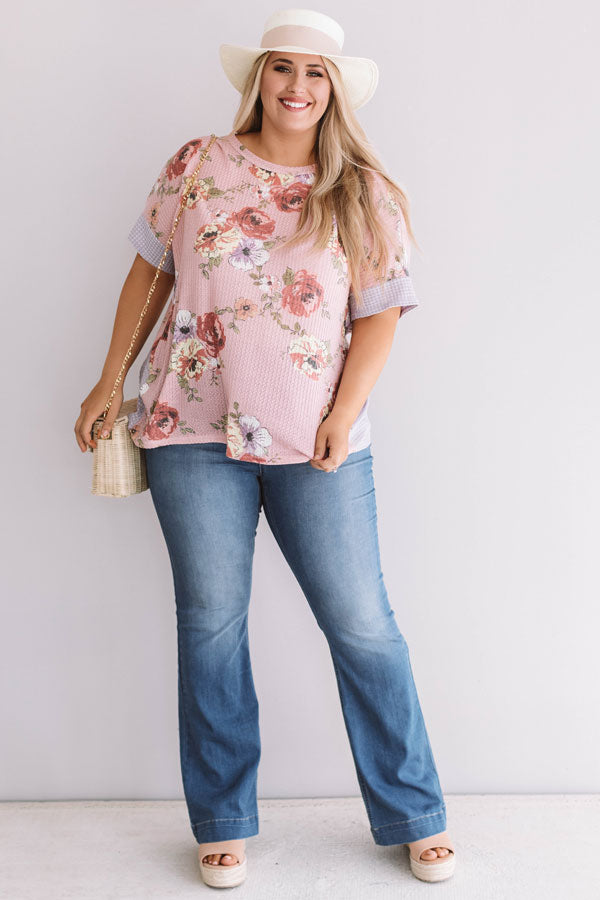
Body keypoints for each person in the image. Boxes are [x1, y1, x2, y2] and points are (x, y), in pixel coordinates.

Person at [75, 7, 456, 889]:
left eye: (315, 73)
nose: (297, 86)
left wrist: (344, 412)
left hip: (316, 439)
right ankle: (222, 819)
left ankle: (414, 812)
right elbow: (151, 271)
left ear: (335, 90)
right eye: (283, 68)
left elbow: (381, 315)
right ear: (259, 78)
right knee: (211, 623)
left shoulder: (363, 190)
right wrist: (109, 380)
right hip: (191, 428)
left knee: (362, 625)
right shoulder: (198, 164)